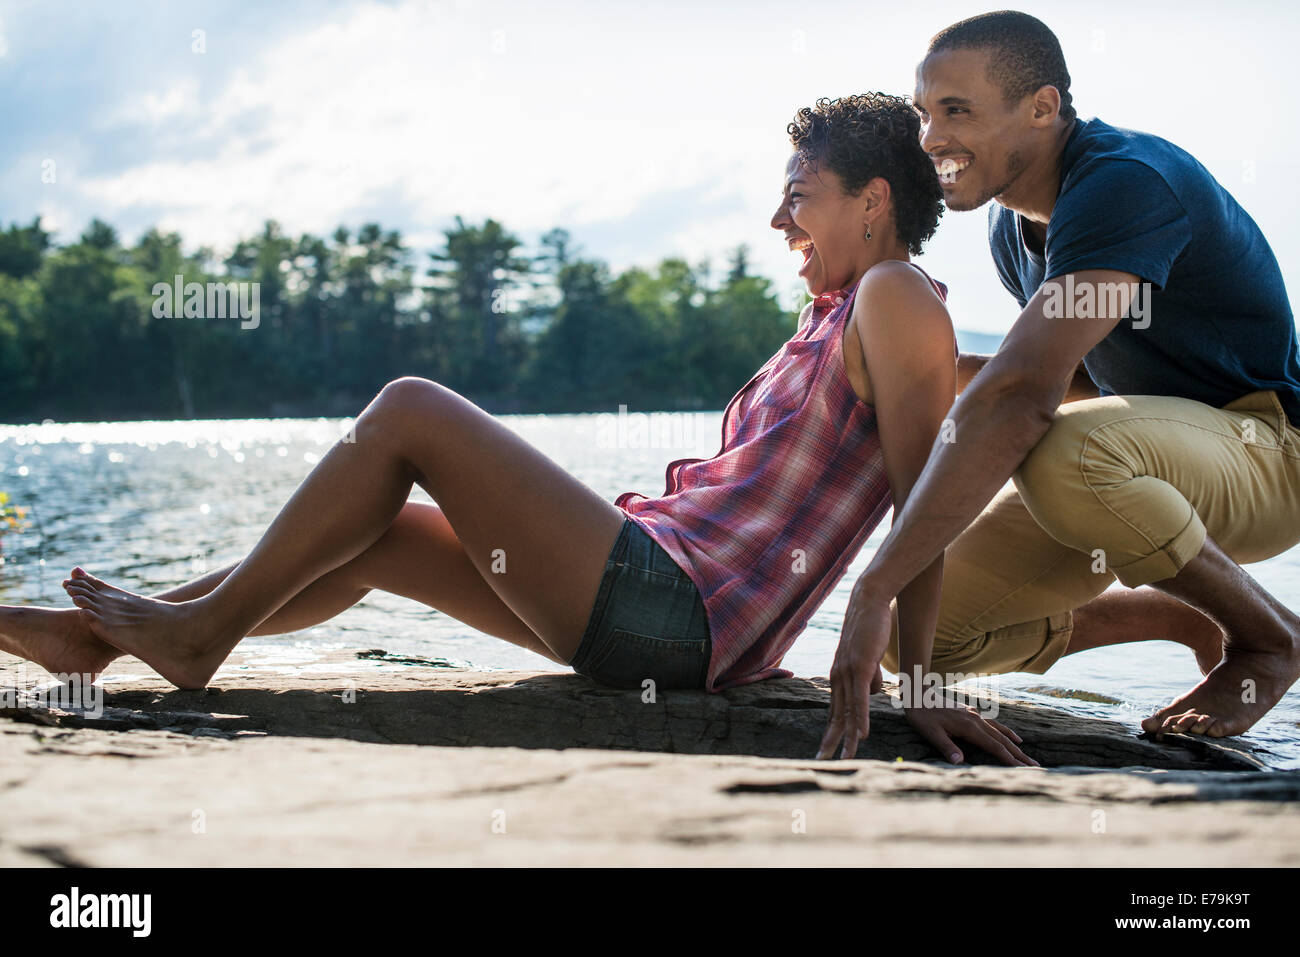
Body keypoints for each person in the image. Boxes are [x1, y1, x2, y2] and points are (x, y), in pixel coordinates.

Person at [0, 94, 1037, 766]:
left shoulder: (898, 294)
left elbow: (927, 493)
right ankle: (94, 646)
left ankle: (191, 638)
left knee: (409, 408)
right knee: (383, 532)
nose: (779, 223)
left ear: (873, 202)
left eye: (798, 198)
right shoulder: (844, 310)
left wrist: (916, 683)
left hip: (678, 615)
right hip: (663, 609)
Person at [820, 10, 1300, 762]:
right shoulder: (1014, 228)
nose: (930, 139)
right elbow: (1067, 377)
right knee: (929, 638)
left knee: (1065, 455)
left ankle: (1268, 637)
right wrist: (901, 382)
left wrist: (872, 583)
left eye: (956, 111)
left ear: (1042, 108)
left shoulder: (1125, 182)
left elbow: (1024, 398)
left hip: (1265, 450)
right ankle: (1179, 617)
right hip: (1143, 472)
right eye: (923, 113)